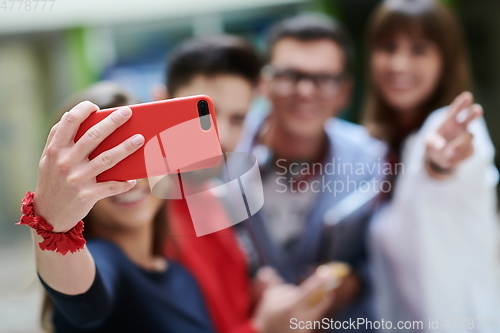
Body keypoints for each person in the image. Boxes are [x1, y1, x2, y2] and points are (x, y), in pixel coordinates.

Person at [155, 35, 336, 333]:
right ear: (161, 102)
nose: (221, 136)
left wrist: (258, 300)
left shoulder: (216, 199)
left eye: (237, 119)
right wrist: (264, 327)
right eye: (203, 115)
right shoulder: (136, 215)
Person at [235, 14, 387, 330]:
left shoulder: (372, 158)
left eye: (324, 79)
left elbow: (388, 256)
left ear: (344, 92)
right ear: (264, 83)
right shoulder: (224, 151)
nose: (305, 91)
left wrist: (351, 283)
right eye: (290, 75)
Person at [26, 82, 216, 333]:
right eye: (108, 165)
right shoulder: (104, 259)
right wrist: (49, 220)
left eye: (139, 155)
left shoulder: (183, 277)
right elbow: (85, 305)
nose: (132, 182)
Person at [363, 0, 500, 331]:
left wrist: (440, 163)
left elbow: (448, 164)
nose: (399, 63)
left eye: (419, 49)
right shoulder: (383, 148)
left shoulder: (451, 128)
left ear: (445, 60)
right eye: (388, 47)